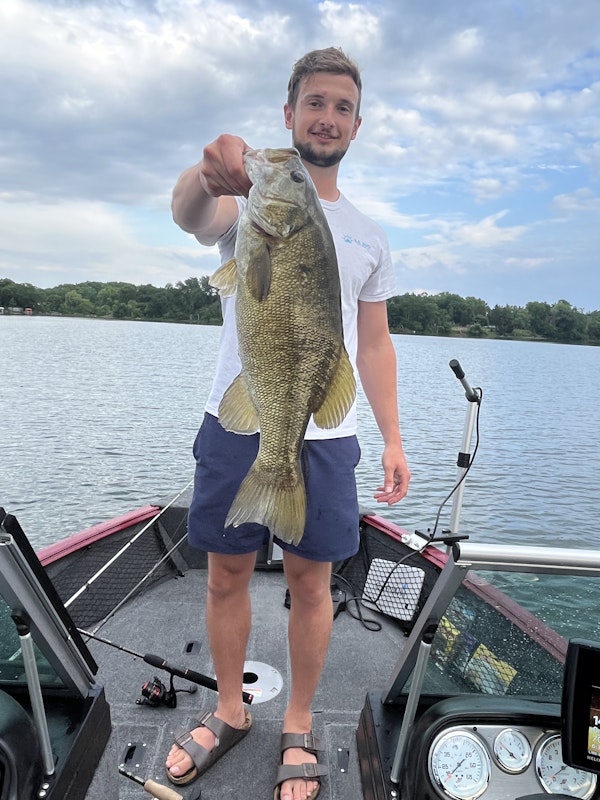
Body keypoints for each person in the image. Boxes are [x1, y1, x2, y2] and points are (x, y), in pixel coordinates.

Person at [165, 47, 411, 800]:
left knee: (313, 586)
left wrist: (394, 438)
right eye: (315, 103)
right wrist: (207, 174)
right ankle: (230, 709)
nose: (327, 117)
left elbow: (373, 343)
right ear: (289, 114)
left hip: (325, 432)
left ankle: (297, 722)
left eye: (342, 107)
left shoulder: (369, 235)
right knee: (225, 575)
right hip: (239, 418)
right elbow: (189, 214)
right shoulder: (252, 207)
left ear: (357, 125)